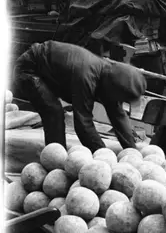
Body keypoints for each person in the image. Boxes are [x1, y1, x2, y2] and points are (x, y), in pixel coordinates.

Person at [13, 41, 147, 152]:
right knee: (54, 112)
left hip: (51, 72)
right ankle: (55, 161)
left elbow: (118, 115)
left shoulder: (109, 76)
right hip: (29, 69)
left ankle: (58, 154)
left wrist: (132, 152)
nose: (119, 102)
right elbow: (83, 124)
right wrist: (102, 154)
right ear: (112, 88)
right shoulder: (86, 77)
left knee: (55, 110)